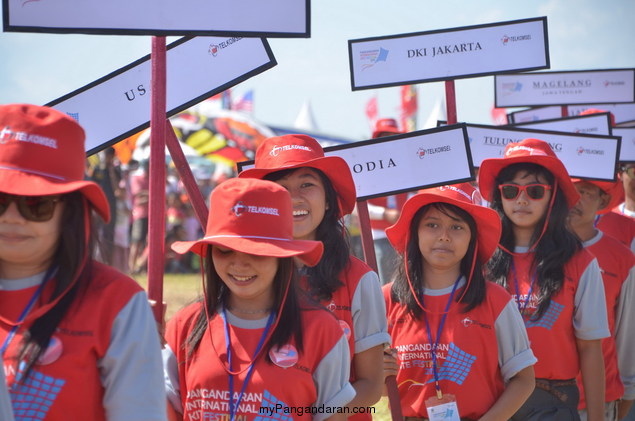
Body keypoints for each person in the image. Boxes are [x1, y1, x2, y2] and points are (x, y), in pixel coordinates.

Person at [0, 104, 166, 419]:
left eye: (35, 205)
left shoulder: (116, 302)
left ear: (72, 211)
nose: (11, 218)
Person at [163, 177, 355, 420]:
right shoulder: (184, 325)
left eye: (256, 252)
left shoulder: (322, 331)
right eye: (224, 250)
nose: (239, 264)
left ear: (282, 256)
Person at [239, 134, 389, 419]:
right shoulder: (241, 274)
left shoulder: (360, 279)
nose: (294, 197)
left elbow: (370, 385)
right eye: (280, 187)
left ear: (329, 200)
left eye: (307, 184)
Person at [478, 138, 610, 421]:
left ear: (554, 197)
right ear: (499, 196)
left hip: (553, 403)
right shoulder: (479, 260)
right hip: (490, 402)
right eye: (511, 191)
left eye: (535, 191)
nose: (522, 200)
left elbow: (590, 349)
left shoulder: (581, 262)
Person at [382, 183, 536, 420]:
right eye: (432, 225)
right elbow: (369, 389)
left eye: (457, 226)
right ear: (415, 233)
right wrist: (377, 375)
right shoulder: (385, 300)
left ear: (472, 238)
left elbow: (524, 380)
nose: (444, 235)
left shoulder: (495, 300)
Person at [567, 178, 635, 421]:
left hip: (597, 403)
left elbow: (627, 336)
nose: (575, 200)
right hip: (540, 400)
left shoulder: (623, 259)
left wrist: (627, 394)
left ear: (603, 200)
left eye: (585, 192)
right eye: (570, 191)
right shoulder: (536, 250)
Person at [365, 118, 406, 284]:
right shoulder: (367, 167)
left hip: (404, 236)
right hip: (380, 236)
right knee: (386, 286)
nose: (389, 141)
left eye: (393, 136)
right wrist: (384, 214)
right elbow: (357, 207)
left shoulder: (404, 165)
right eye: (386, 136)